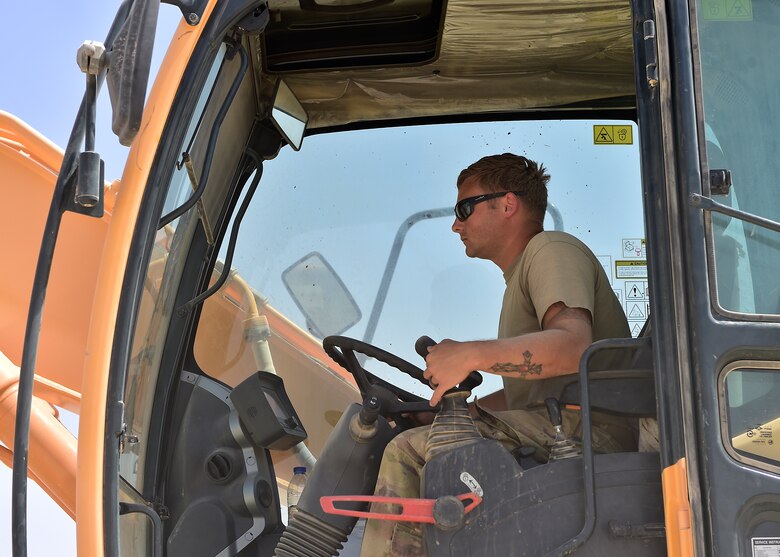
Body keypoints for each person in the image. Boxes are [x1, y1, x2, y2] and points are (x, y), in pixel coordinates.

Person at [359, 153, 635, 557]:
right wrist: (447, 412)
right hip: (562, 422)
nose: (456, 224)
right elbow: (529, 393)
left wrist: (470, 354)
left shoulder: (550, 249)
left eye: (464, 209)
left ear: (507, 204)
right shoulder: (521, 277)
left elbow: (574, 348)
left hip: (592, 433)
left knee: (409, 452)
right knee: (426, 434)